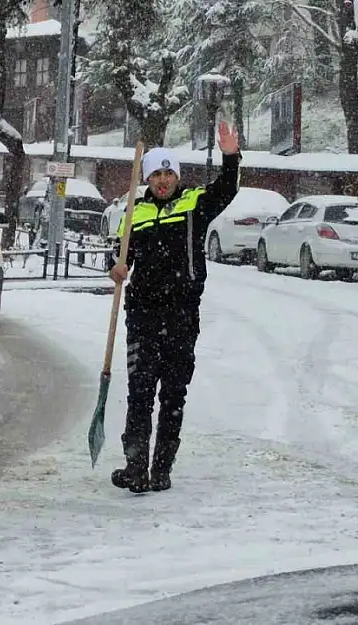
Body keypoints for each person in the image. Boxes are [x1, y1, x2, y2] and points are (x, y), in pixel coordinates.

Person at [108, 121, 241, 493]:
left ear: (177, 176)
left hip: (181, 314)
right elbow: (120, 256)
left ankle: (161, 468)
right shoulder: (135, 212)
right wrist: (116, 268)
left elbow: (226, 189)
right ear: (148, 178)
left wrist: (230, 156)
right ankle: (136, 467)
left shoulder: (194, 204)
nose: (163, 180)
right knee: (140, 391)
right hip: (143, 315)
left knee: (173, 394)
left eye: (169, 173)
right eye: (156, 174)